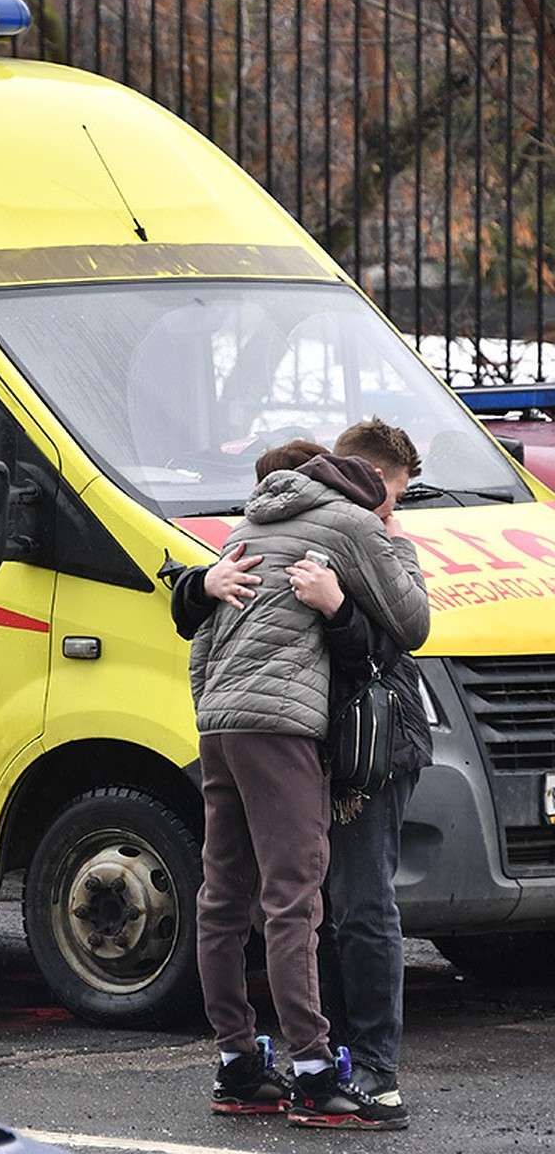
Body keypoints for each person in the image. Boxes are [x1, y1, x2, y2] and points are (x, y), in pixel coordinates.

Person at [178, 433, 429, 1129]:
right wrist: (390, 544)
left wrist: (214, 708)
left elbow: (201, 638)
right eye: (397, 492)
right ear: (372, 484)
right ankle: (318, 1076)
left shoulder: (249, 526)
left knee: (224, 899)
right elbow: (412, 623)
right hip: (286, 730)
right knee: (298, 901)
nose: (396, 504)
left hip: (220, 724)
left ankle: (238, 1068)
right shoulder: (349, 526)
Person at [290, 420, 433, 1128]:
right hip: (316, 738)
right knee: (318, 906)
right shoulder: (329, 525)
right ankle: (333, 1057)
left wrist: (340, 608)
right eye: (391, 496)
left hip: (374, 742)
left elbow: (393, 643)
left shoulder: (384, 545)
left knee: (362, 902)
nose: (392, 514)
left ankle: (375, 1067)